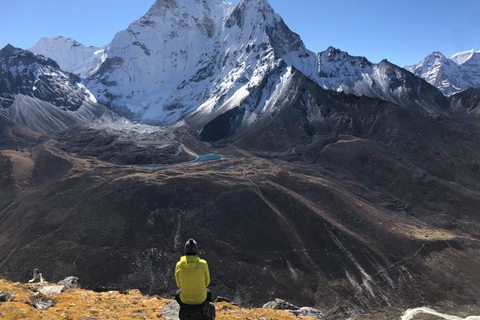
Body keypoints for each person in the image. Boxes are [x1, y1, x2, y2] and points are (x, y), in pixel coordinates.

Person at [175, 238, 212, 305]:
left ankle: (183, 310)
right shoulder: (203, 264)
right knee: (208, 292)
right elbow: (207, 283)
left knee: (177, 293)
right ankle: (206, 310)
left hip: (185, 300)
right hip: (200, 299)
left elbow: (179, 285)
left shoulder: (179, 265)